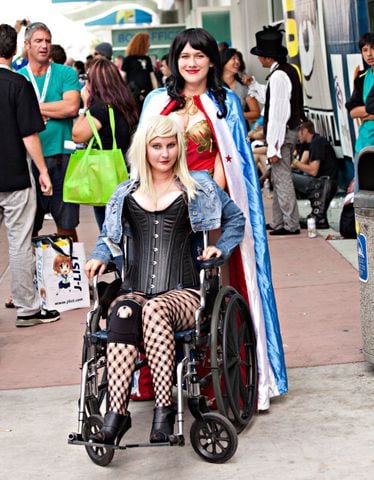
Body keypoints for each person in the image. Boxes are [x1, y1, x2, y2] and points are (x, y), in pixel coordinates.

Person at [141, 27, 287, 411]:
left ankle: (220, 372)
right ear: (175, 60)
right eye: (185, 56)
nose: (191, 63)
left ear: (210, 60)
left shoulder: (225, 102)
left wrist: (212, 201)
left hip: (211, 206)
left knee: (214, 285)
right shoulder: (157, 101)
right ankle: (163, 371)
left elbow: (230, 159)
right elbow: (144, 155)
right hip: (166, 208)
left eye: (199, 56)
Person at [85, 115, 245, 444]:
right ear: (144, 149)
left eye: (171, 145)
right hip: (136, 287)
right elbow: (108, 236)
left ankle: (165, 408)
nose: (164, 153)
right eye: (156, 146)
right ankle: (117, 415)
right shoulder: (125, 192)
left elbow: (236, 219)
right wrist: (99, 256)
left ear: (179, 147)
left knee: (155, 308)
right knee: (123, 311)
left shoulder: (197, 186)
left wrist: (220, 247)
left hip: (183, 292)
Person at [0, 23, 60, 327]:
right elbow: (29, 135)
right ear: (15, 50)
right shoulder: (17, 84)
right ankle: (27, 309)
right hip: (14, 178)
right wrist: (43, 171)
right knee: (19, 241)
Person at [19, 22, 81, 241]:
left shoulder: (65, 73)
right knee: (30, 227)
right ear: (27, 45)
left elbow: (71, 107)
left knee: (67, 224)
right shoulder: (19, 78)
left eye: (47, 40)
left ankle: (70, 273)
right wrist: (54, 109)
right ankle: (34, 274)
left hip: (63, 156)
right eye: (38, 41)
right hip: (29, 161)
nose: (44, 45)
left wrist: (29, 109)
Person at [249, 24, 305, 236]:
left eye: (260, 55)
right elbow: (274, 102)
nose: (258, 59)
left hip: (282, 134)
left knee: (282, 179)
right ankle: (279, 222)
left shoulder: (279, 76)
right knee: (278, 177)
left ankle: (290, 224)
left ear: (267, 57)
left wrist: (273, 146)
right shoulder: (284, 72)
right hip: (288, 131)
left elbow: (277, 115)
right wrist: (254, 86)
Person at [72, 57, 139, 229]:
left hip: (106, 176)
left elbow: (77, 135)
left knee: (108, 229)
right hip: (130, 171)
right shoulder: (128, 104)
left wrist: (87, 104)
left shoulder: (99, 109)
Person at [292, 120, 338, 229]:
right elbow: (302, 163)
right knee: (287, 174)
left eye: (298, 133)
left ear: (304, 131)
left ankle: (291, 215)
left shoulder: (317, 143)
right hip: (324, 183)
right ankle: (319, 217)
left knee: (288, 177)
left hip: (324, 183)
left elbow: (313, 170)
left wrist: (294, 162)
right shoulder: (312, 143)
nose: (297, 137)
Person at [345, 32, 374, 189]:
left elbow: (359, 111)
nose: (369, 54)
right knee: (362, 196)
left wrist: (365, 114)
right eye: (364, 49)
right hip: (363, 145)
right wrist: (369, 113)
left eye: (373, 48)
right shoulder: (362, 77)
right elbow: (352, 111)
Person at [221, 47, 260, 129]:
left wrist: (237, 115)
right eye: (233, 59)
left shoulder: (244, 87)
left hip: (240, 131)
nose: (237, 62)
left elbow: (256, 113)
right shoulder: (213, 86)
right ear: (224, 61)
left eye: (238, 59)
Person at [121, 32, 158, 111]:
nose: (149, 45)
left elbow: (152, 77)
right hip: (133, 95)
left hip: (148, 94)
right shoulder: (128, 59)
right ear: (142, 44)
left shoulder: (147, 59)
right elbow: (122, 77)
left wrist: (156, 92)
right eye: (147, 43)